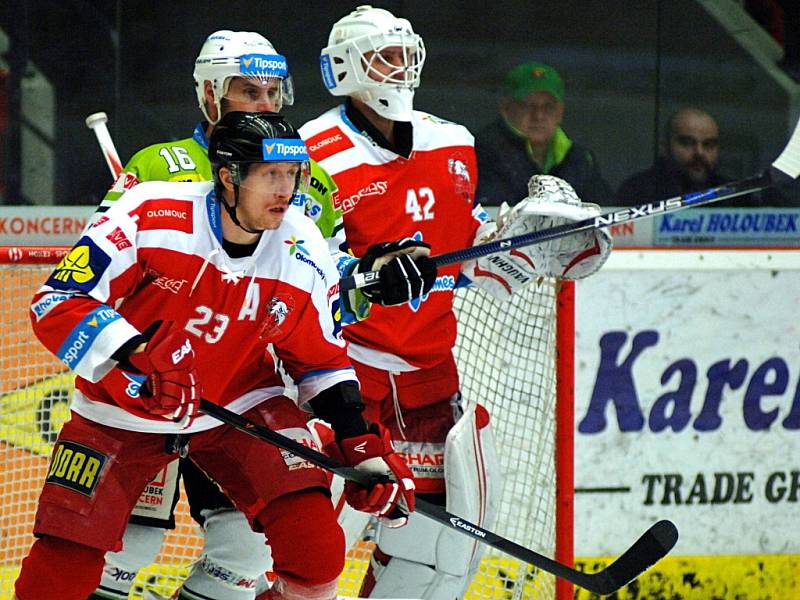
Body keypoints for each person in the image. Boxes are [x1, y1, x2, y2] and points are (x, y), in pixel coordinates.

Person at [85, 32, 433, 600]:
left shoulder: (305, 177)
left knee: (244, 553)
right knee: (129, 545)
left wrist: (373, 275)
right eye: (249, 91)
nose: (266, 103)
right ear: (209, 95)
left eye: (274, 91)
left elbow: (323, 291)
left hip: (241, 390)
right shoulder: (157, 168)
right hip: (155, 387)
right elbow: (97, 271)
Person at [13, 111, 416, 600]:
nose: (285, 190)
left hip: (238, 404)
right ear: (228, 176)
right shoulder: (150, 212)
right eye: (271, 174)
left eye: (293, 174)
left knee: (316, 551)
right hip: (121, 410)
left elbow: (321, 359)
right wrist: (134, 351)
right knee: (58, 575)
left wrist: (359, 441)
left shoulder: (302, 243)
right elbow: (56, 301)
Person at [299, 6, 613, 599]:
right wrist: (364, 277)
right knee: (313, 549)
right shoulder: (311, 151)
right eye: (382, 57)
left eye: (404, 54)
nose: (398, 69)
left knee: (433, 556)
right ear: (344, 68)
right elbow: (303, 269)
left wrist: (516, 247)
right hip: (343, 377)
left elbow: (462, 253)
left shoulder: (452, 141)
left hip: (429, 376)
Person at [474, 60, 613, 207]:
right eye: (528, 106)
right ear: (506, 107)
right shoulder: (481, 152)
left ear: (560, 111)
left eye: (548, 106)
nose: (538, 115)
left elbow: (606, 215)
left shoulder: (581, 160)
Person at [616, 107, 734, 206]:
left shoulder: (733, 193)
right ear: (664, 147)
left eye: (708, 145)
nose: (699, 152)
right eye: (687, 143)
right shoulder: (637, 191)